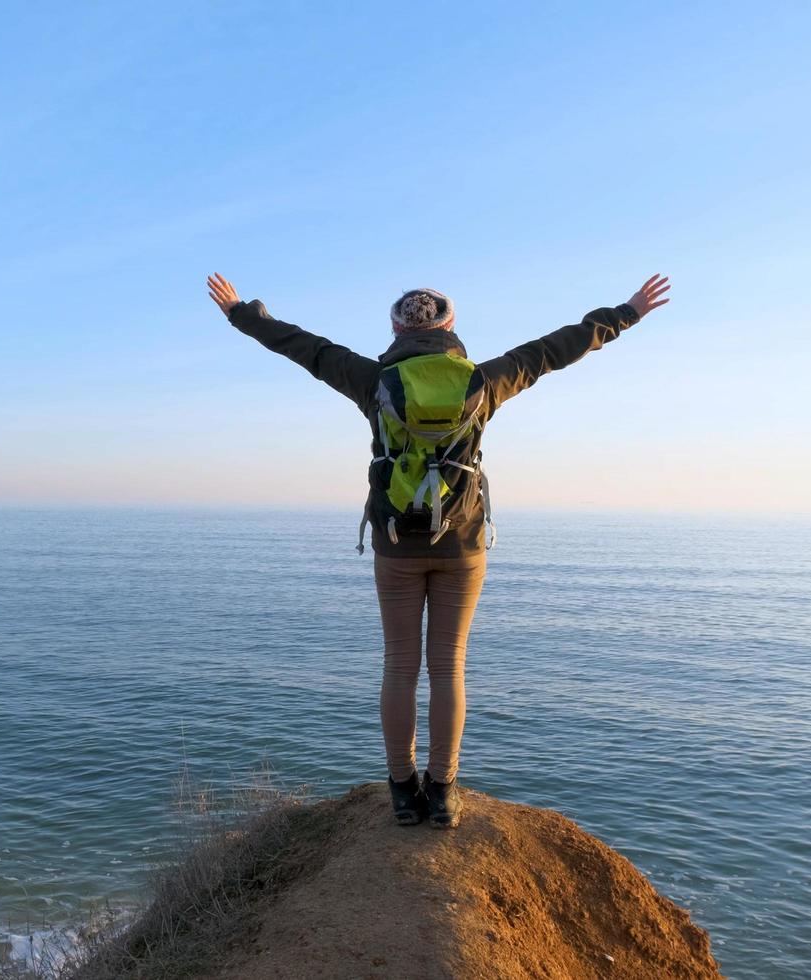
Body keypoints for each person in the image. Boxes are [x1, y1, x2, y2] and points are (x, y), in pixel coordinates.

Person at [206, 271, 672, 828]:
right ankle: (443, 789)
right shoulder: (484, 380)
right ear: (451, 326)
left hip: (396, 543)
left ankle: (403, 791)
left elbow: (305, 347)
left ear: (396, 327)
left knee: (400, 667)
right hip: (462, 543)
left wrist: (242, 313)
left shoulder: (372, 379)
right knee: (448, 667)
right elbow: (554, 350)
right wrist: (625, 313)